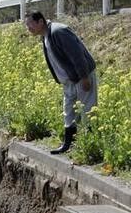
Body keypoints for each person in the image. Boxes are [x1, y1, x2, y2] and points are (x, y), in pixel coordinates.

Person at [24, 11, 97, 154]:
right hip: (69, 80)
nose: (28, 28)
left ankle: (91, 148)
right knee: (68, 110)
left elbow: (77, 55)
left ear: (40, 22)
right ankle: (68, 144)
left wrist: (84, 77)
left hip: (82, 76)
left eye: (30, 24)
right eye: (26, 25)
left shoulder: (59, 32)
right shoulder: (46, 36)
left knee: (87, 110)